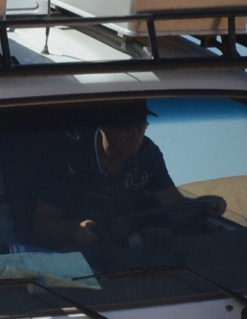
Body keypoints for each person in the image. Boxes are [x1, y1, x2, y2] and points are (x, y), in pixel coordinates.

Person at [32, 101, 226, 250]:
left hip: (128, 250)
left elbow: (174, 206)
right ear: (104, 124)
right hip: (72, 253)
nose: (136, 134)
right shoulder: (72, 156)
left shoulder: (147, 154)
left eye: (141, 126)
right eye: (126, 126)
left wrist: (204, 205)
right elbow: (42, 221)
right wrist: (75, 230)